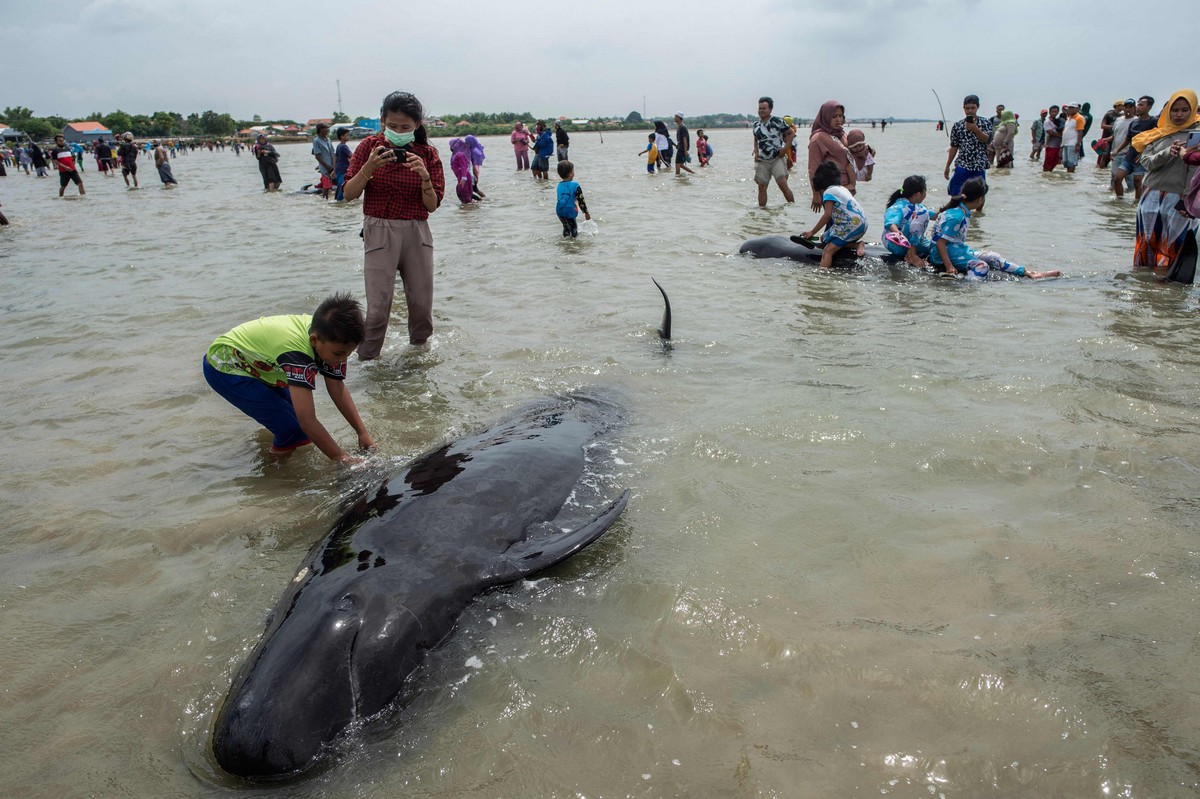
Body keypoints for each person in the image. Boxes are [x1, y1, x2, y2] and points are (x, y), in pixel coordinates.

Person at [202, 293, 375, 464]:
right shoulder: (298, 354)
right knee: (293, 430)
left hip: (263, 364)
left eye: (349, 353)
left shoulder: (330, 337)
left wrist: (362, 432)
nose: (343, 359)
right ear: (314, 340)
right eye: (339, 354)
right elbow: (307, 421)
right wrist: (342, 458)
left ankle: (276, 453)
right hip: (225, 366)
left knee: (294, 422)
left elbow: (336, 386)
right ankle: (274, 475)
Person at [341, 90, 445, 355]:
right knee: (377, 311)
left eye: (405, 127)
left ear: (417, 126)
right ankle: (366, 366)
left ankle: (417, 364)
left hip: (417, 232)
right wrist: (369, 168)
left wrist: (424, 176)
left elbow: (432, 206)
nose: (398, 131)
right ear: (382, 120)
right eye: (392, 125)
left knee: (422, 310)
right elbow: (349, 194)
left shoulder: (427, 154)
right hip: (379, 229)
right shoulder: (368, 147)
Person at [930, 178, 1060, 280]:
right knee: (982, 266)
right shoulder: (956, 216)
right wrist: (949, 267)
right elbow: (940, 243)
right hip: (943, 254)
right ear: (980, 199)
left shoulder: (961, 212)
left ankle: (1028, 273)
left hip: (957, 250)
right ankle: (965, 283)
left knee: (993, 256)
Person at [1131, 90, 1200, 272]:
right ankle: (1143, 287)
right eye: (1175, 110)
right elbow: (1147, 162)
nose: (1179, 114)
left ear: (1192, 110)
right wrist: (1168, 151)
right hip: (1152, 195)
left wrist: (1189, 200)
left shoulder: (1197, 134)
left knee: (1176, 245)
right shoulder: (1157, 133)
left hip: (1183, 197)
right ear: (1167, 111)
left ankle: (1167, 290)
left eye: (1185, 110)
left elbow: (1195, 170)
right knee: (1147, 243)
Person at [794, 159, 867, 267]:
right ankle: (857, 245)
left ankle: (823, 274)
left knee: (828, 251)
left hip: (849, 225)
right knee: (824, 238)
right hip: (862, 224)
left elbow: (827, 215)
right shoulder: (842, 188)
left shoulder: (828, 192)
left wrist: (812, 232)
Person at [808, 100, 856, 209]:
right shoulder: (818, 139)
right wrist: (815, 194)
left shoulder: (842, 135)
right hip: (831, 192)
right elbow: (813, 168)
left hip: (848, 190)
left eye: (840, 116)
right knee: (836, 223)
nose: (838, 119)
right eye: (834, 116)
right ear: (826, 117)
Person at [944, 95, 993, 194]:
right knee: (956, 192)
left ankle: (979, 210)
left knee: (979, 194)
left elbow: (987, 140)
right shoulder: (958, 125)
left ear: (977, 107)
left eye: (972, 108)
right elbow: (954, 147)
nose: (970, 111)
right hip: (963, 164)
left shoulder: (985, 123)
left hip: (979, 164)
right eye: (967, 108)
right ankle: (958, 209)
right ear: (964, 108)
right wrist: (947, 166)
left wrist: (975, 129)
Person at [882, 175, 934, 268]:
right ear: (918, 194)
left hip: (908, 242)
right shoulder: (898, 206)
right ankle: (911, 255)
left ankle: (914, 250)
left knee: (935, 247)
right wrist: (897, 232)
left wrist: (952, 206)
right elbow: (890, 222)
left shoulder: (917, 206)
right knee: (923, 213)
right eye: (925, 191)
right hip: (897, 243)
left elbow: (935, 216)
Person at [752, 96, 794, 208]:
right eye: (759, 108)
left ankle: (793, 209)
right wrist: (756, 153)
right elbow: (756, 139)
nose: (761, 110)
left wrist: (785, 149)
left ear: (770, 109)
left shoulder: (777, 121)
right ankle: (762, 211)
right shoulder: (756, 125)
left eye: (764, 108)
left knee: (782, 185)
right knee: (761, 187)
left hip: (777, 158)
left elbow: (791, 134)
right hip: (762, 160)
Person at [1113, 96, 1157, 200]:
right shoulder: (1134, 122)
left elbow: (1156, 141)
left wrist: (1143, 154)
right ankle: (1119, 201)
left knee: (1138, 182)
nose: (1138, 107)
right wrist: (1117, 150)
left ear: (1149, 107)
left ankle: (1137, 203)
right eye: (1138, 104)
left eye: (1141, 105)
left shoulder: (1154, 122)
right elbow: (1128, 139)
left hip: (1142, 158)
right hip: (1129, 157)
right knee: (1117, 179)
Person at [555, 159, 591, 238]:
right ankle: (573, 245)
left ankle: (566, 242)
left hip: (559, 211)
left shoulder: (559, 185)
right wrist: (586, 212)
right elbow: (581, 200)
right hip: (570, 210)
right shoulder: (575, 185)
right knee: (574, 228)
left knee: (566, 227)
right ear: (570, 174)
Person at [1109, 100, 1137, 197]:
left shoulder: (1136, 121)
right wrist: (1107, 140)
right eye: (1126, 107)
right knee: (1114, 177)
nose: (1128, 109)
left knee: (1130, 180)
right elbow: (1115, 135)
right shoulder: (1118, 120)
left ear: (1134, 108)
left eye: (1130, 107)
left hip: (1129, 155)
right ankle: (1116, 199)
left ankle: (1131, 199)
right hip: (1116, 153)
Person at [311, 122, 335, 199]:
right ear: (321, 130)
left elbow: (333, 153)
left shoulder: (328, 140)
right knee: (327, 186)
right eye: (326, 128)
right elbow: (317, 156)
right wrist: (327, 166)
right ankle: (325, 200)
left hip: (332, 165)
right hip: (325, 167)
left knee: (332, 183)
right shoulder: (316, 141)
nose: (328, 130)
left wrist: (334, 165)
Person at [447, 138, 475, 204]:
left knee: (465, 196)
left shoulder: (460, 155)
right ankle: (469, 209)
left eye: (452, 145)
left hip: (463, 177)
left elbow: (464, 166)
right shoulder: (455, 154)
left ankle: (468, 212)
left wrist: (464, 177)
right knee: (462, 195)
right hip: (460, 177)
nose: (451, 147)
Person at [1060, 102, 1086, 173]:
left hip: (1073, 143)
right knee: (1066, 162)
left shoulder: (1079, 118)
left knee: (1071, 162)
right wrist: (1061, 145)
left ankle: (1071, 176)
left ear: (1076, 109)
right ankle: (1069, 178)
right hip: (1066, 143)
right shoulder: (1069, 118)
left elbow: (1080, 131)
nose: (1069, 109)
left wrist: (1078, 144)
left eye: (1071, 108)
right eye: (1069, 108)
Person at [1042, 105, 1063, 172]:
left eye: (1056, 112)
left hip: (1058, 146)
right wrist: (1062, 136)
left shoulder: (1058, 121)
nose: (1054, 113)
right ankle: (1045, 175)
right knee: (1048, 163)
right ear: (1050, 112)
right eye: (1053, 112)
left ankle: (1050, 177)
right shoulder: (1047, 122)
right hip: (1050, 146)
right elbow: (1051, 132)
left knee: (1055, 162)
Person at [464, 134, 486, 199]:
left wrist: (476, 176)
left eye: (466, 142)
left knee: (474, 190)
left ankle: (481, 199)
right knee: (475, 189)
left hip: (473, 174)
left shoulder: (474, 151)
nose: (465, 143)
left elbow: (475, 166)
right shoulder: (474, 149)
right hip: (472, 173)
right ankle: (484, 199)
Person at [334, 127, 352, 201]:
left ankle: (336, 199)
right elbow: (352, 156)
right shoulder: (344, 146)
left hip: (339, 170)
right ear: (342, 136)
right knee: (342, 186)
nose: (348, 136)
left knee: (340, 185)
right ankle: (339, 202)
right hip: (342, 170)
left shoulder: (339, 145)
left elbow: (335, 157)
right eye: (347, 135)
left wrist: (334, 169)